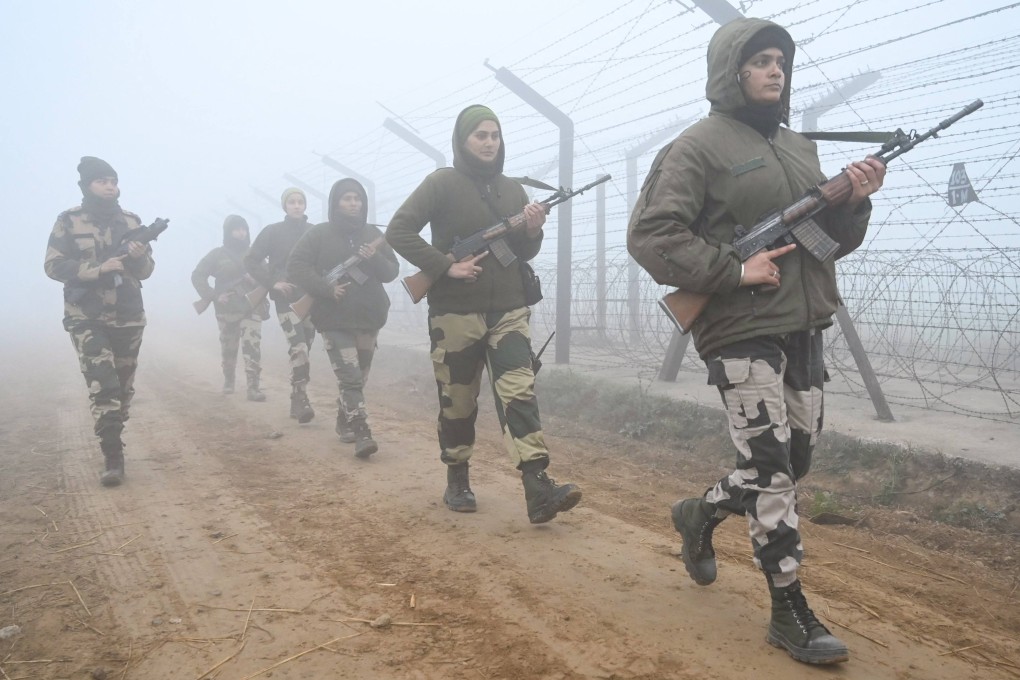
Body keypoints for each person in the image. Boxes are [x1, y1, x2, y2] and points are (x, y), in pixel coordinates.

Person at [628, 18, 885, 665]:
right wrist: (734, 270)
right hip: (738, 326)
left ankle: (700, 514)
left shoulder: (798, 148)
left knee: (792, 463)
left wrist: (853, 201)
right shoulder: (698, 147)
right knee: (771, 471)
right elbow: (653, 234)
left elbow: (831, 240)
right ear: (732, 72)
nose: (776, 70)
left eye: (781, 61)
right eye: (762, 61)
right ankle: (789, 609)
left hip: (805, 321)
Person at [386, 104, 582, 524]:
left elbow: (524, 251)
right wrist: (444, 265)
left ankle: (537, 487)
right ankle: (457, 477)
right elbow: (398, 230)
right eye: (480, 135)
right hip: (455, 313)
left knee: (519, 393)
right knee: (458, 401)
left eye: (494, 135)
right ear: (463, 140)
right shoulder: (441, 183)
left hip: (509, 310)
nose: (489, 142)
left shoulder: (513, 190)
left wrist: (532, 229)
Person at [44, 156, 157, 487]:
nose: (110, 186)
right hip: (87, 316)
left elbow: (147, 272)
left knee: (122, 389)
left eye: (113, 180)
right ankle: (112, 456)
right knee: (103, 384)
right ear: (86, 186)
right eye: (102, 181)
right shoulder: (69, 221)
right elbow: (53, 266)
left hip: (128, 315)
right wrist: (96, 270)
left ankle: (114, 430)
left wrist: (138, 257)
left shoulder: (132, 221)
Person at [287, 178, 399, 458]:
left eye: (357, 198)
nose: (353, 203)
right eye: (347, 198)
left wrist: (373, 257)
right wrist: (326, 288)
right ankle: (362, 430)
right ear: (336, 202)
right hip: (333, 318)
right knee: (349, 377)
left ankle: (344, 418)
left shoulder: (372, 233)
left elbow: (391, 272)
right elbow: (296, 266)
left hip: (368, 317)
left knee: (359, 376)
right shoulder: (319, 235)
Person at [245, 188, 317, 423]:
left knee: (306, 345)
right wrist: (272, 283)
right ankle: (301, 398)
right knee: (299, 348)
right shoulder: (272, 232)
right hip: (286, 300)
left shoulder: (314, 232)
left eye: (300, 202)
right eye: (292, 202)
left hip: (311, 298)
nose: (297, 206)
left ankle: (297, 395)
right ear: (285, 206)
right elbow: (251, 260)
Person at [191, 215, 269, 401]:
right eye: (236, 229)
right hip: (227, 309)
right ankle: (229, 379)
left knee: (252, 346)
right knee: (228, 346)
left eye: (243, 229)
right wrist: (214, 295)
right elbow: (197, 276)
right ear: (228, 232)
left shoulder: (254, 254)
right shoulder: (217, 255)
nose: (241, 233)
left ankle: (253, 387)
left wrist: (255, 279)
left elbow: (268, 277)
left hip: (251, 306)